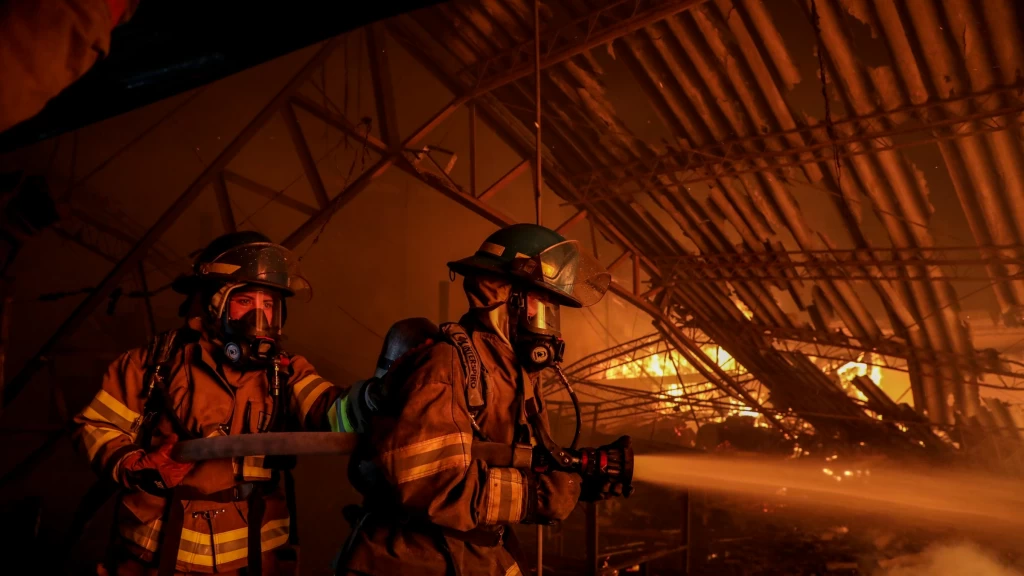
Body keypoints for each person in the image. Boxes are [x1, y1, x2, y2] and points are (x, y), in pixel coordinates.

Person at [337, 223, 613, 576]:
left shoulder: (513, 374)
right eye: (541, 304)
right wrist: (536, 496)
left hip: (474, 556)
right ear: (506, 298)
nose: (548, 324)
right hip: (415, 562)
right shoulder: (447, 364)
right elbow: (432, 484)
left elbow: (512, 457)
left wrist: (581, 473)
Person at [72, 231, 343, 576]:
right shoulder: (154, 364)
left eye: (269, 305)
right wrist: (135, 464)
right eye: (245, 301)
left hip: (253, 558)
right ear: (215, 301)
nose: (258, 317)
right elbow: (95, 425)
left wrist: (375, 396)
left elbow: (330, 408)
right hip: (158, 556)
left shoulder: (283, 372)